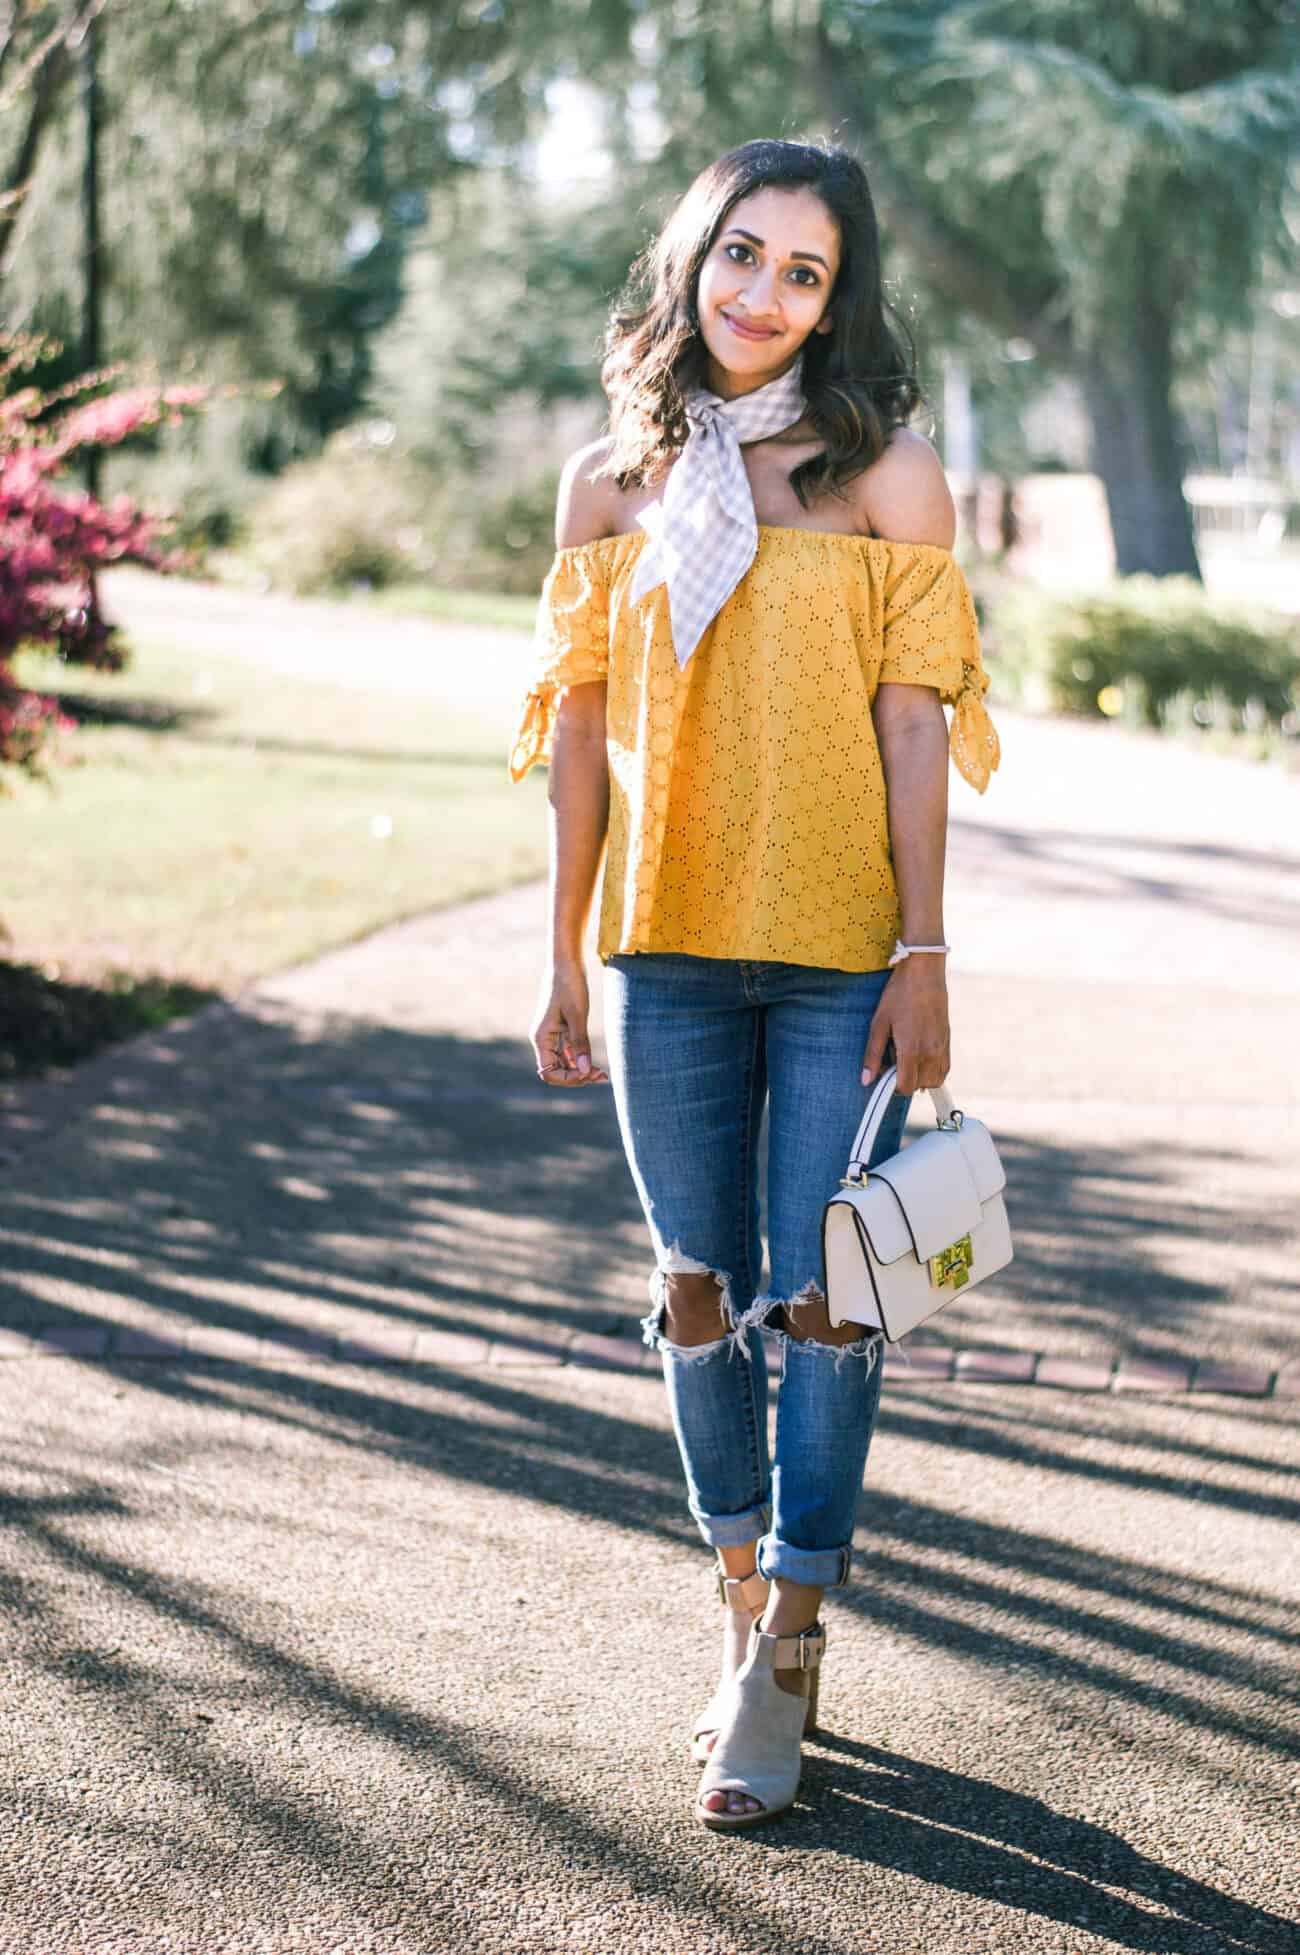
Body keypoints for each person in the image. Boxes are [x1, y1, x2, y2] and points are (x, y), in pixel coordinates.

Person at [509, 137, 998, 1832]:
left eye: (804, 272)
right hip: (665, 944)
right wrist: (563, 950)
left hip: (844, 949)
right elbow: (578, 730)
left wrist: (926, 955)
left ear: (837, 296)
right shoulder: (611, 479)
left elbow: (916, 723)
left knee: (833, 1294)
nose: (763, 296)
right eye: (742, 254)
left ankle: (791, 1634)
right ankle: (737, 1593)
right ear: (691, 253)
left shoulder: (888, 477)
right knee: (701, 1286)